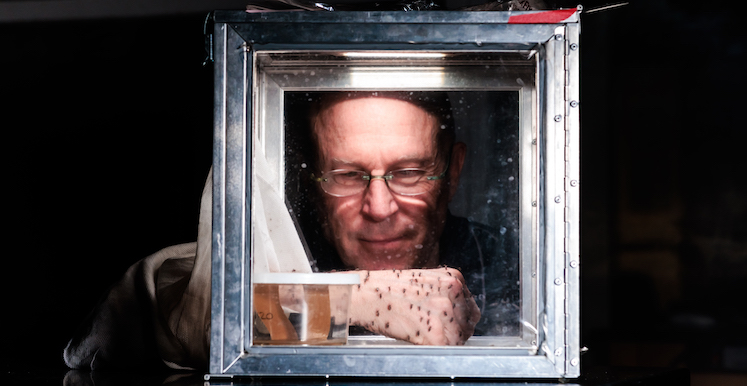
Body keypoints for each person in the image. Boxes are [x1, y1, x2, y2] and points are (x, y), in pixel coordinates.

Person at [63, 91, 517, 371]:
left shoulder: (507, 261)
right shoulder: (272, 249)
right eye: (347, 176)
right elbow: (184, 320)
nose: (379, 208)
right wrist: (356, 298)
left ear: (453, 171)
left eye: (410, 172)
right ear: (310, 187)